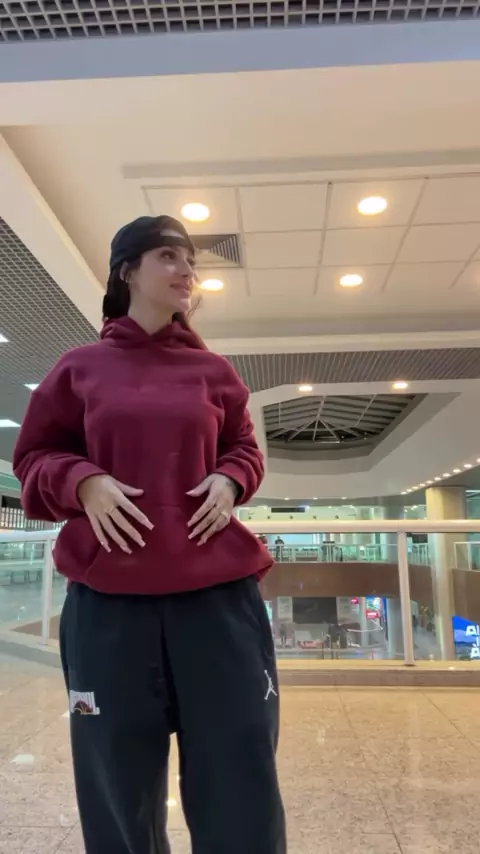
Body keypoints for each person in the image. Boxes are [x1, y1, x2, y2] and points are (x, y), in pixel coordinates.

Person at [13, 215, 286, 854]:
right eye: (168, 256)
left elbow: (244, 449)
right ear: (127, 271)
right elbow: (33, 458)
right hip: (108, 606)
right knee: (117, 780)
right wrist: (82, 481)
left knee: (240, 774)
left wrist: (230, 480)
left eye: (190, 259)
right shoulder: (78, 369)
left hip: (217, 600)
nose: (186, 269)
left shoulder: (214, 372)